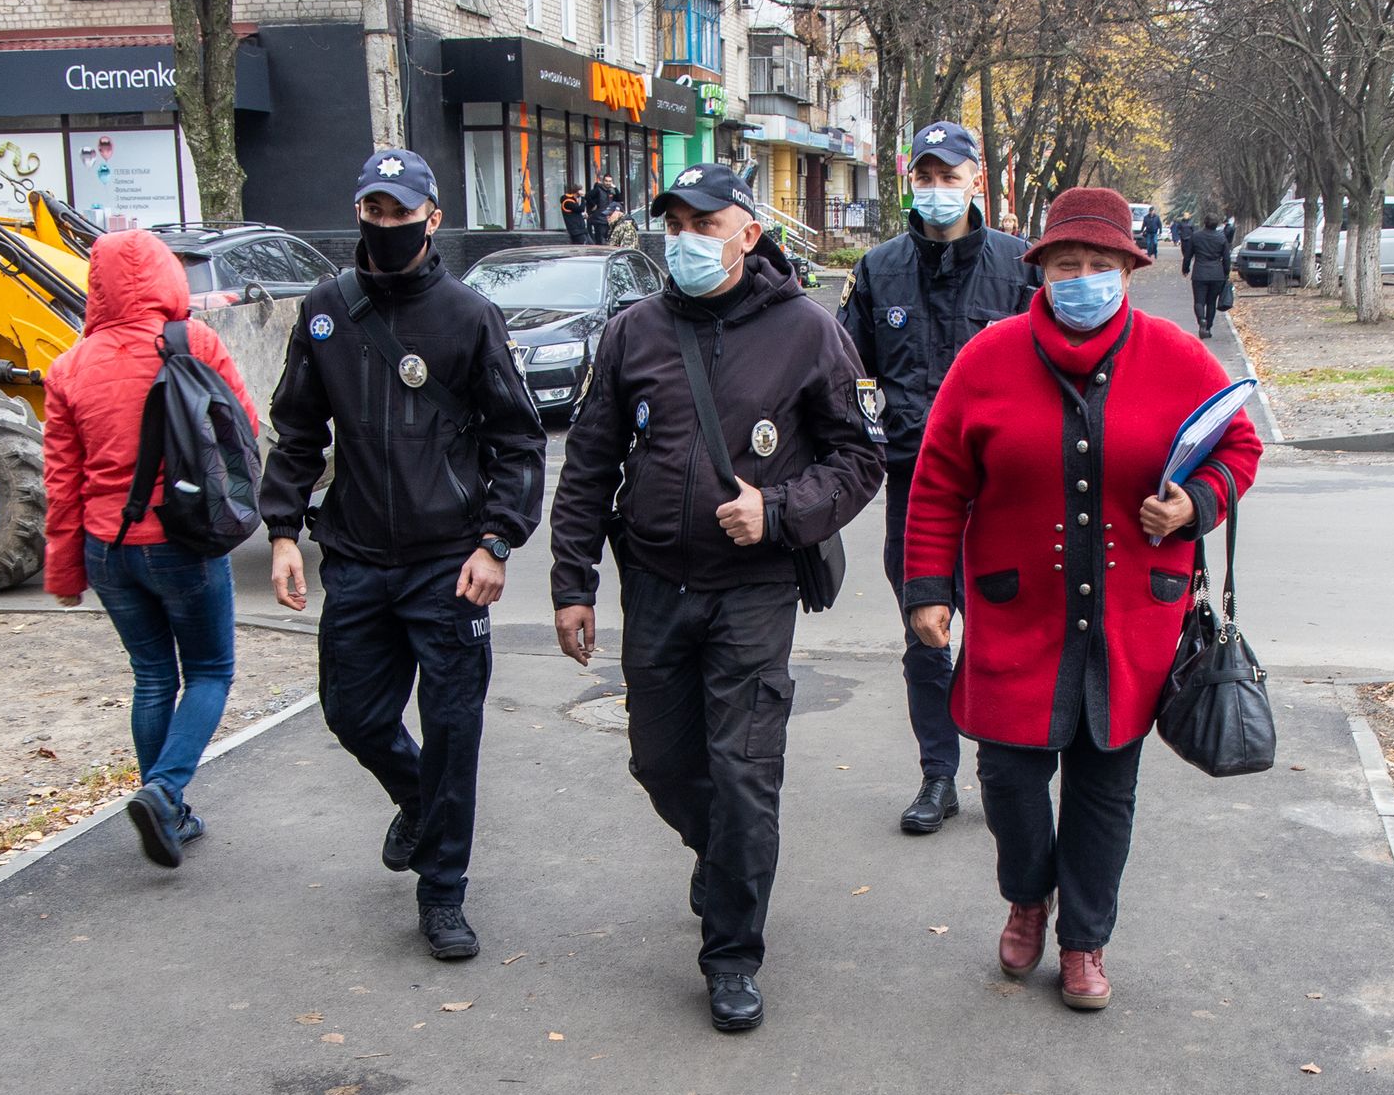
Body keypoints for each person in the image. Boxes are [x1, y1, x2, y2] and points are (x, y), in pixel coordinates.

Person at [902, 185, 1262, 1012]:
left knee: (1106, 789)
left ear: (1130, 272)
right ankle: (1028, 897)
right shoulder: (987, 360)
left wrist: (1194, 504)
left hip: (1133, 618)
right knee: (1009, 782)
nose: (1086, 278)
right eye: (1069, 264)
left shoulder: (1176, 357)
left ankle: (1085, 943)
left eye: (1103, 264)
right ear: (1043, 271)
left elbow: (1238, 445)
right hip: (1014, 614)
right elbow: (936, 483)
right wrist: (929, 588)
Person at [549, 163, 884, 1032]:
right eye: (676, 222)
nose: (687, 237)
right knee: (661, 762)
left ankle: (732, 952)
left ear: (747, 230)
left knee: (743, 773)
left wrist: (777, 511)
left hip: (754, 591)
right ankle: (722, 854)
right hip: (657, 584)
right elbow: (589, 461)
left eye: (706, 222)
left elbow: (858, 459)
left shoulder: (808, 332)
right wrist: (572, 581)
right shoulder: (634, 333)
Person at [259, 148, 547, 961]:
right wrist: (283, 527)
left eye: (401, 212)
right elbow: (297, 431)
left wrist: (497, 541)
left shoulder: (468, 317)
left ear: (432, 217)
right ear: (360, 213)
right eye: (374, 211)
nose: (387, 226)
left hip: (449, 565)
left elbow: (520, 443)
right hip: (356, 554)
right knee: (352, 712)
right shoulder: (326, 310)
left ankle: (443, 892)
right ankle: (420, 800)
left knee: (453, 730)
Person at [837, 120, 1038, 837]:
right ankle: (937, 774)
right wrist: (870, 443)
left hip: (1006, 494)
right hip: (915, 487)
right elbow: (848, 377)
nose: (937, 190)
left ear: (975, 180)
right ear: (910, 182)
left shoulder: (1020, 267)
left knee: (1002, 634)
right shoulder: (878, 269)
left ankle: (1001, 767)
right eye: (925, 177)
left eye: (949, 177)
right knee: (927, 631)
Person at [42, 230, 260, 869]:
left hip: (107, 547)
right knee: (212, 671)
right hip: (181, 541)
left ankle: (171, 814)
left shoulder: (69, 367)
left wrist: (64, 567)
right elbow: (241, 431)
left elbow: (61, 480)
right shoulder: (196, 344)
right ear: (167, 276)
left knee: (153, 676)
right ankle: (165, 793)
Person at [1181, 213, 1231, 338]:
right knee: (1211, 302)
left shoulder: (1196, 236)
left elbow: (1188, 255)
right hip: (1216, 274)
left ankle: (1201, 320)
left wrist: (1185, 269)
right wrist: (1226, 272)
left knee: (1199, 301)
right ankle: (1208, 328)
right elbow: (1226, 258)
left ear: (1205, 222)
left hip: (1200, 273)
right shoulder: (1221, 238)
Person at [587, 172, 617, 244]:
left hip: (609, 219)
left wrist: (615, 188)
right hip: (599, 219)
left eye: (610, 181)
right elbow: (587, 196)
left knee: (608, 240)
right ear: (603, 181)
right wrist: (593, 205)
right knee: (600, 240)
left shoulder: (610, 191)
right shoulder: (598, 190)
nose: (608, 183)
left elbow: (619, 198)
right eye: (606, 181)